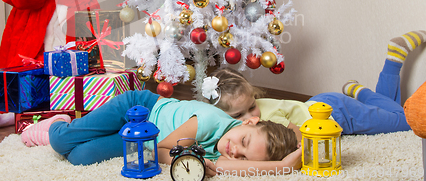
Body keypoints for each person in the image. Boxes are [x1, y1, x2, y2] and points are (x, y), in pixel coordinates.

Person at [20, 90, 301, 177]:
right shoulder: (210, 121)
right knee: (61, 141)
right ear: (249, 123)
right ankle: (58, 123)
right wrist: (188, 159)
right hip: (137, 110)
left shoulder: (231, 151)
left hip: (142, 140)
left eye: (242, 155)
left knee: (80, 157)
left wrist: (285, 165)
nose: (233, 151)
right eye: (243, 142)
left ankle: (72, 134)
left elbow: (233, 166)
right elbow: (161, 151)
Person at [202, 31, 423, 140]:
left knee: (409, 122)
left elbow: (296, 139)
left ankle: (364, 90)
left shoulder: (266, 121)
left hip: (338, 114)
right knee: (390, 111)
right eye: (239, 114)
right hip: (320, 104)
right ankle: (387, 66)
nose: (252, 115)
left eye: (252, 106)